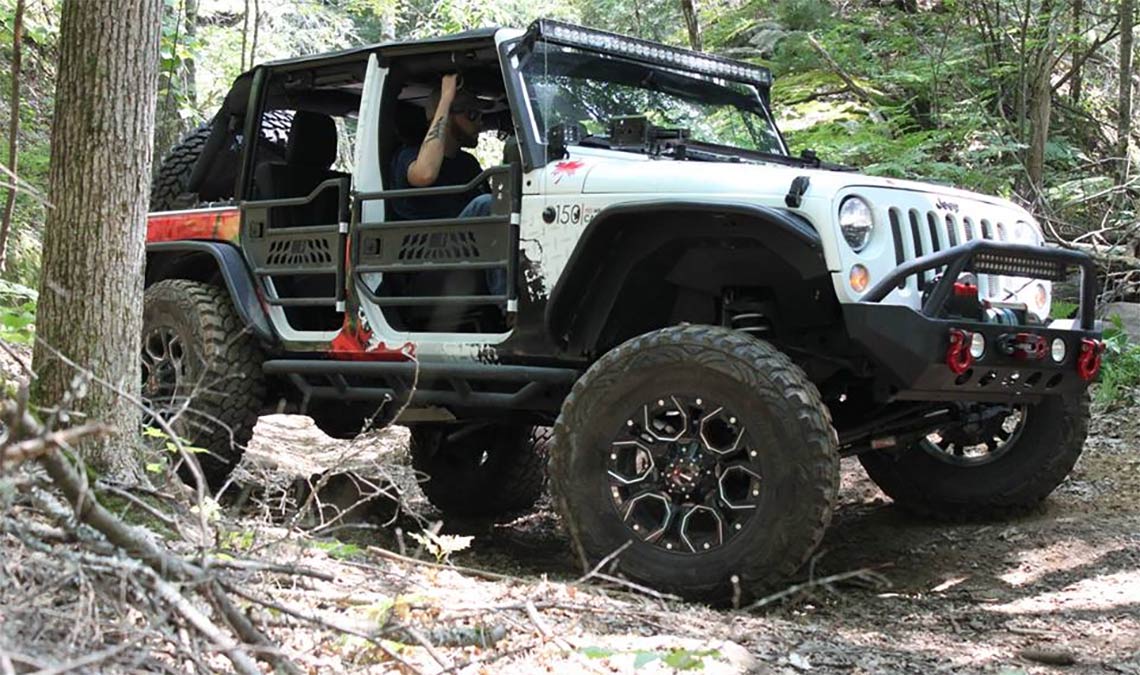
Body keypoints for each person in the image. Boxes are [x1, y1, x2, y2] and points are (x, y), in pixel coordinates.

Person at [389, 74, 493, 222]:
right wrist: (445, 100)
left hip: (469, 239)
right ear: (447, 117)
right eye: (472, 114)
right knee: (486, 203)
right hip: (427, 241)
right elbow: (425, 175)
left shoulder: (468, 163)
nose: (479, 123)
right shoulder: (408, 155)